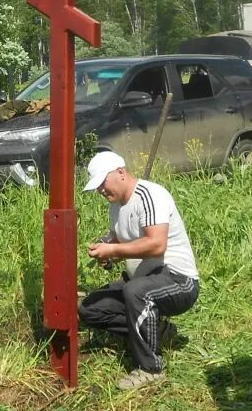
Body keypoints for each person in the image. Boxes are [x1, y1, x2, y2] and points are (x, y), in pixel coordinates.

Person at [77, 151, 200, 390]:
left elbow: (156, 244)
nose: (101, 190)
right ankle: (156, 330)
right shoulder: (116, 206)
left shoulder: (150, 195)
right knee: (90, 309)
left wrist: (114, 251)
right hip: (141, 279)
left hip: (178, 279)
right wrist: (107, 253)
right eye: (97, 187)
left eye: (103, 183)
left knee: (136, 292)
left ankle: (150, 369)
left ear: (121, 173)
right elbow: (119, 241)